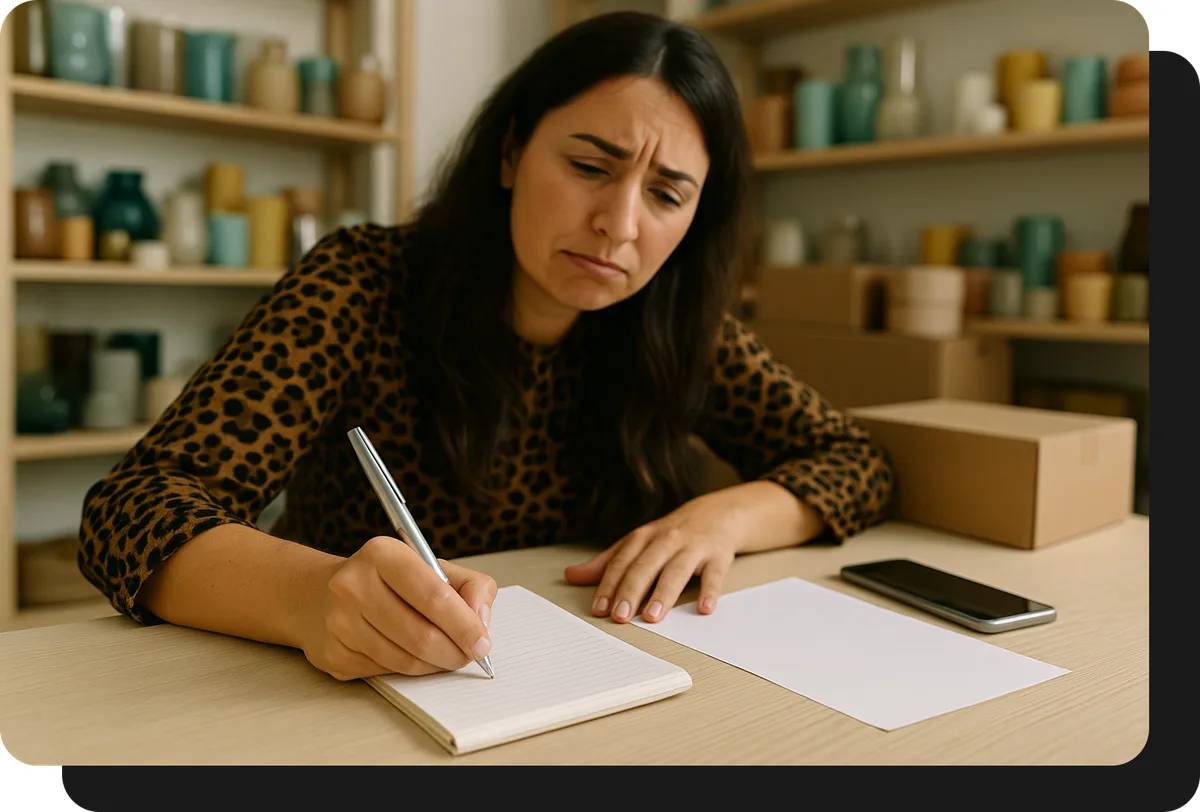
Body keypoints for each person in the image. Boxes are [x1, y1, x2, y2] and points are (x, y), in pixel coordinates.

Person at [77, 11, 894, 683]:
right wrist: (309, 593)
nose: (621, 224)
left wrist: (722, 518)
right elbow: (133, 510)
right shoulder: (364, 282)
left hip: (588, 685)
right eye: (587, 166)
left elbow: (852, 459)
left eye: (666, 194)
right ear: (510, 152)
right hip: (350, 688)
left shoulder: (674, 322)